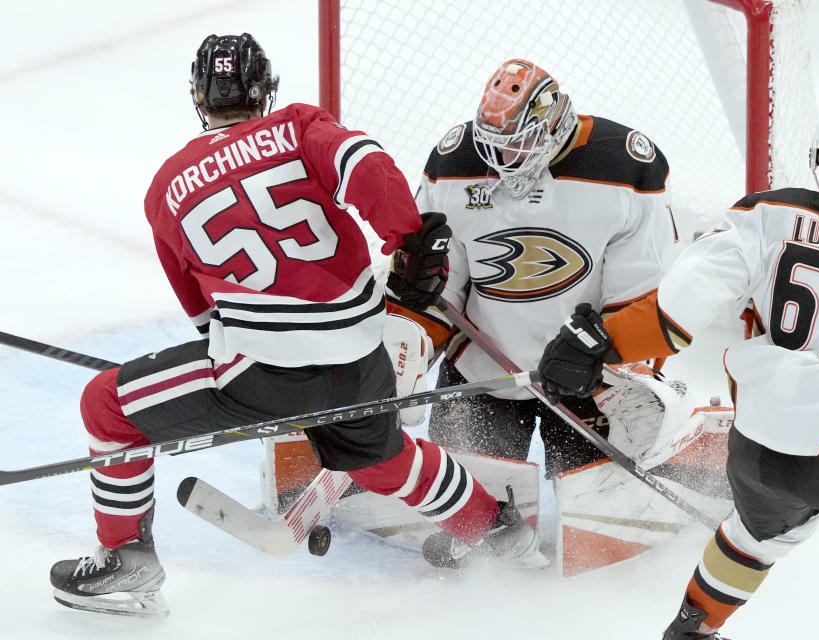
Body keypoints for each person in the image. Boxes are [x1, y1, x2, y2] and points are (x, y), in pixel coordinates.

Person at [48, 33, 545, 619]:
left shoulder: (166, 187)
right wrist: (409, 237)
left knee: (106, 406)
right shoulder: (297, 126)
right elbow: (368, 165)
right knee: (377, 453)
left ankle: (124, 557)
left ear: (197, 97)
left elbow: (205, 317)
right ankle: (494, 528)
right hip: (362, 360)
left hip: (260, 377)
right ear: (266, 89)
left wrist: (243, 374)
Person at [536, 100, 819, 639]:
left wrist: (598, 347)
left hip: (759, 447)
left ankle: (691, 630)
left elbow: (676, 313)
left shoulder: (762, 214)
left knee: (753, 537)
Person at [387, 58, 681, 481]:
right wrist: (407, 347)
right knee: (474, 516)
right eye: (492, 143)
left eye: (519, 143)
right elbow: (437, 283)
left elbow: (643, 292)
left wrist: (615, 363)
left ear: (554, 124)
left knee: (592, 522)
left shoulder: (624, 167)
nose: (502, 158)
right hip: (481, 369)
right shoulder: (454, 162)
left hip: (587, 375)